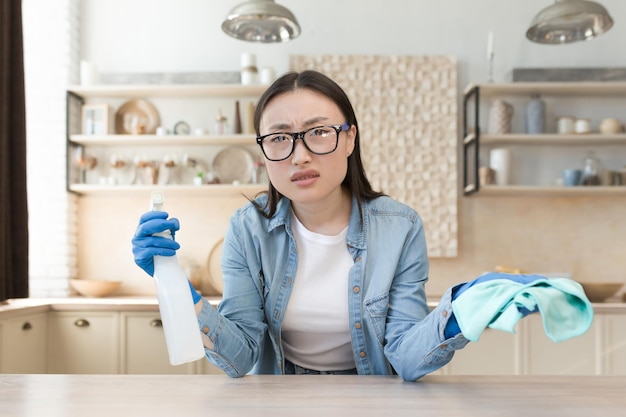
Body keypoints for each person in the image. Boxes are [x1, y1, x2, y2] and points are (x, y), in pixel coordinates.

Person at [132, 70, 538, 381]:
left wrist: (463, 307)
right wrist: (181, 292)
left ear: (349, 139)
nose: (299, 155)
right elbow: (240, 358)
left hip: (371, 392)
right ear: (263, 151)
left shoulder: (401, 228)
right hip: (283, 394)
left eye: (319, 132)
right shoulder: (248, 228)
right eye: (278, 138)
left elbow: (407, 356)